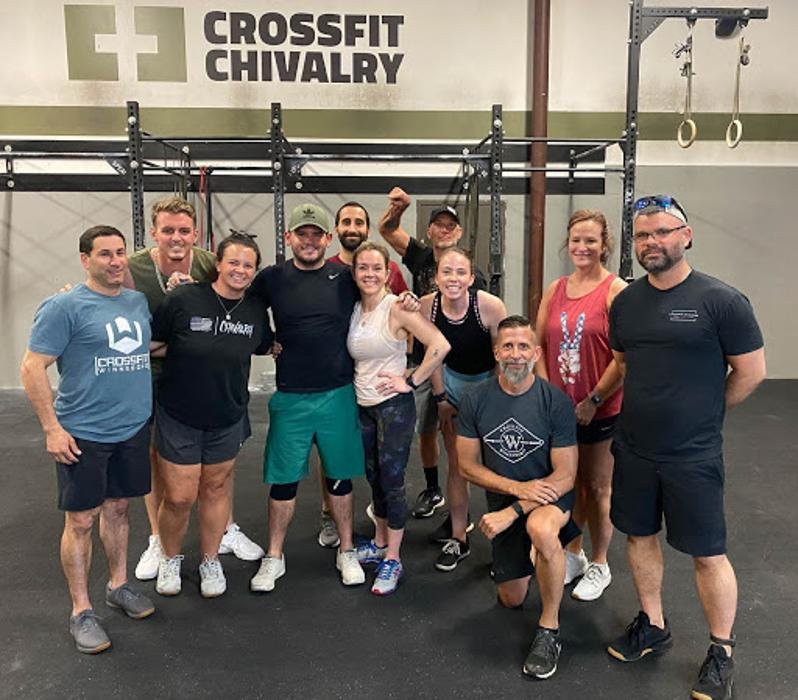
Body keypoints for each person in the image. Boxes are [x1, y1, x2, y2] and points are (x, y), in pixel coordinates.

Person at [605, 194, 766, 700]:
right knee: (638, 536)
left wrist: (707, 413)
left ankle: (721, 651)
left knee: (707, 554)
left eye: (662, 232)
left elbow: (751, 371)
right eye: (642, 235)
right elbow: (624, 363)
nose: (651, 242)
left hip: (692, 455)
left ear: (686, 236)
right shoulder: (626, 302)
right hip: (634, 447)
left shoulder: (722, 301)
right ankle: (653, 624)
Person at [247, 203, 417, 593]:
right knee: (283, 482)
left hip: (338, 395)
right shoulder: (271, 278)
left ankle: (347, 549)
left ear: (328, 238)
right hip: (291, 395)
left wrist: (406, 300)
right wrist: (263, 342)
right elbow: (244, 306)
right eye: (301, 234)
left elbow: (381, 295)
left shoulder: (345, 276)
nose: (308, 241)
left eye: (316, 234)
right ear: (288, 237)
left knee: (340, 479)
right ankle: (274, 556)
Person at [20, 225, 155, 654]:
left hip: (132, 427)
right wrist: (52, 429)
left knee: (119, 509)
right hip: (83, 432)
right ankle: (81, 610)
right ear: (85, 259)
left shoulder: (136, 302)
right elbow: (31, 367)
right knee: (80, 521)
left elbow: (146, 349)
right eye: (104, 254)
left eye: (120, 253)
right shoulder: (63, 306)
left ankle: (119, 585)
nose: (115, 261)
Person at [126, 197, 263, 580]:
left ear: (196, 234)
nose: (176, 237)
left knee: (218, 475)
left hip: (205, 375)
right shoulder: (134, 267)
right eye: (168, 230)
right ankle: (159, 540)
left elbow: (242, 306)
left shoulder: (207, 262)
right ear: (154, 232)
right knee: (163, 467)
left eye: (184, 230)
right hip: (153, 369)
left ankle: (224, 531)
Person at [151, 233, 273, 598]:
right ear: (218, 263)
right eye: (233, 262)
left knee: (215, 489)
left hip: (227, 414)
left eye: (248, 265)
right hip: (179, 414)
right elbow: (152, 341)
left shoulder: (255, 310)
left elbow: (267, 344)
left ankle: (210, 560)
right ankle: (169, 558)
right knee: (179, 497)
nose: (240, 270)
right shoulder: (184, 298)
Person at [457, 315, 578, 680]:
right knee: (511, 599)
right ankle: (545, 553)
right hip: (508, 497)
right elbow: (466, 466)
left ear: (536, 353)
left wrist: (515, 509)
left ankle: (549, 629)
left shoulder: (555, 401)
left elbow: (566, 475)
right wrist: (515, 492)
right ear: (496, 352)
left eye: (523, 346)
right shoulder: (475, 399)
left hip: (550, 496)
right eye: (507, 346)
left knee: (541, 529)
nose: (515, 354)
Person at [377, 187, 487, 522]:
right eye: (439, 225)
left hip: (463, 368)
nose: (444, 230)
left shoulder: (474, 277)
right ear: (430, 230)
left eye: (450, 226)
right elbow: (387, 230)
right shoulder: (421, 257)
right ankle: (433, 489)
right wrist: (399, 208)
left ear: (459, 232)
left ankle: (464, 515)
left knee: (461, 443)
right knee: (426, 429)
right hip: (426, 363)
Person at [535, 209, 627, 601]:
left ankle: (601, 564)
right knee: (569, 484)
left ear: (604, 245)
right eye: (576, 240)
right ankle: (574, 552)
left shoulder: (615, 290)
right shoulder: (555, 289)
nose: (582, 247)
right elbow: (539, 343)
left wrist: (594, 400)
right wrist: (547, 394)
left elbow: (623, 359)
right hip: (560, 408)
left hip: (599, 407)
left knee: (598, 485)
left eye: (591, 240)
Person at [348, 242, 449, 594]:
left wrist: (412, 380)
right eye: (363, 268)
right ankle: (379, 542)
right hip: (364, 405)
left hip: (393, 407)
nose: (370, 274)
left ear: (387, 271)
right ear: (354, 272)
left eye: (377, 268)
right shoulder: (355, 308)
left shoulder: (396, 307)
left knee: (392, 481)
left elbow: (439, 345)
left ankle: (393, 557)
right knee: (374, 476)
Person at [316, 201, 409, 550]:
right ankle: (333, 515)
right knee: (342, 458)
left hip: (384, 391)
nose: (352, 227)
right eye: (346, 221)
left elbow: (406, 312)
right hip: (343, 384)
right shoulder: (327, 272)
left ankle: (390, 548)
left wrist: (410, 375)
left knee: (387, 472)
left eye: (359, 222)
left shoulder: (389, 274)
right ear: (336, 229)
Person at [419, 247, 506, 571]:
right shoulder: (427, 306)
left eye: (460, 272)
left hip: (488, 386)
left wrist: (496, 403)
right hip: (452, 386)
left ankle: (506, 546)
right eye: (446, 272)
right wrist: (442, 399)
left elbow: (502, 357)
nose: (453, 278)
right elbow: (432, 354)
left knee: (498, 468)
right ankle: (459, 537)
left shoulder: (490, 307)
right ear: (436, 277)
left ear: (471, 278)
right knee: (458, 466)